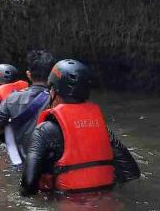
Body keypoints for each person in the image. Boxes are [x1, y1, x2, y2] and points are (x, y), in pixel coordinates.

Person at [20, 59, 140, 195]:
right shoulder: (102, 129)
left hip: (66, 207)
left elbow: (28, 185)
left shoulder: (44, 131)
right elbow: (131, 173)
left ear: (53, 92)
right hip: (104, 202)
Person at [0, 50, 56, 163]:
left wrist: (10, 124)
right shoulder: (57, 101)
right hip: (47, 162)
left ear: (28, 75)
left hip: (19, 160)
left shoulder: (12, 99)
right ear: (52, 76)